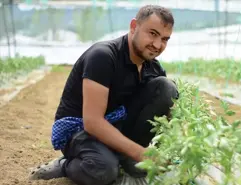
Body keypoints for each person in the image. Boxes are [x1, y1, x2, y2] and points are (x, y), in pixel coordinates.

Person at [29, 5, 179, 185]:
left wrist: (173, 145)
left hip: (117, 124)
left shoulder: (153, 68)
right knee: (104, 170)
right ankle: (66, 166)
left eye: (164, 39)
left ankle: (124, 156)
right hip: (80, 130)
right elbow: (92, 122)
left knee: (166, 88)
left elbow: (164, 115)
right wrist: (140, 153)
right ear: (134, 26)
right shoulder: (103, 56)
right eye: (152, 33)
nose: (157, 45)